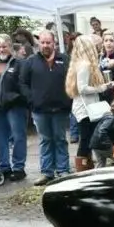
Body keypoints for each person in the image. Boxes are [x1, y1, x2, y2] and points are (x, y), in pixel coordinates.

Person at [19, 30, 71, 185]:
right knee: (45, 140)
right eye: (42, 42)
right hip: (40, 110)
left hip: (61, 109)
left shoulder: (64, 59)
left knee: (60, 139)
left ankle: (63, 170)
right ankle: (47, 172)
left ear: (54, 43)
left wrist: (68, 99)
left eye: (48, 42)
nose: (45, 45)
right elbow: (22, 83)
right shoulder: (31, 61)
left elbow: (71, 80)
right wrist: (32, 99)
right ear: (38, 44)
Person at [65, 35, 114, 172]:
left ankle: (87, 166)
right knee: (87, 139)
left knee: (88, 139)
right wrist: (103, 87)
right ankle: (83, 168)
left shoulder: (77, 63)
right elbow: (83, 89)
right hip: (86, 108)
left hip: (83, 107)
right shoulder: (85, 65)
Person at [0, 34, 28, 181]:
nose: (1, 49)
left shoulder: (19, 63)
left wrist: (15, 97)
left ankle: (18, 167)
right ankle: (3, 166)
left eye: (4, 46)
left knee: (18, 136)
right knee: (0, 138)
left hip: (15, 107)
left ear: (10, 47)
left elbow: (24, 85)